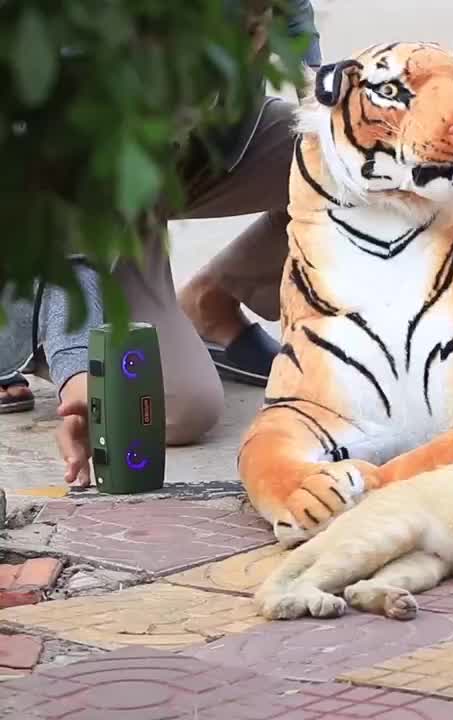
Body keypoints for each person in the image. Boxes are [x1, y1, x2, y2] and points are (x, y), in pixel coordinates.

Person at [0, 0, 322, 486]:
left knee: (363, 167)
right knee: (175, 409)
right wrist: (78, 372)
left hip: (199, 156)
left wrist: (330, 113)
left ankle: (211, 302)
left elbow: (297, 25)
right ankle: (30, 336)